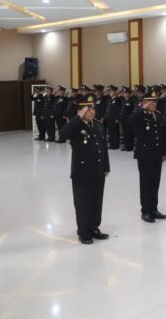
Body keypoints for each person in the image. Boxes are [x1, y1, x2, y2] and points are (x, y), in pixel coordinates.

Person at [59, 95, 110, 245]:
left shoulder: (98, 125)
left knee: (96, 201)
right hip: (82, 172)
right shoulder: (75, 125)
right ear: (80, 111)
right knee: (83, 203)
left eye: (93, 108)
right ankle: (83, 231)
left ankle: (94, 228)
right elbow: (62, 134)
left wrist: (106, 166)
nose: (92, 112)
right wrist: (78, 117)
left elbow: (103, 148)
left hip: (98, 170)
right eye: (88, 109)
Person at [128, 91, 166, 223]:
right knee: (146, 183)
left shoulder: (158, 115)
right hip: (145, 155)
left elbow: (162, 136)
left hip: (157, 154)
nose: (153, 104)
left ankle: (154, 208)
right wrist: (142, 108)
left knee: (155, 182)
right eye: (150, 101)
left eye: (154, 101)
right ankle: (145, 210)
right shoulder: (140, 115)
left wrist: (163, 152)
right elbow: (129, 122)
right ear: (144, 102)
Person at [105, 85, 123, 150]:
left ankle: (115, 145)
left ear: (115, 92)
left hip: (114, 118)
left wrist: (117, 118)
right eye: (109, 91)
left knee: (115, 132)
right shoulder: (110, 100)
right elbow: (107, 109)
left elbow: (118, 109)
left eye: (111, 91)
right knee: (111, 132)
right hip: (109, 118)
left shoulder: (117, 100)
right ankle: (112, 144)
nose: (110, 93)